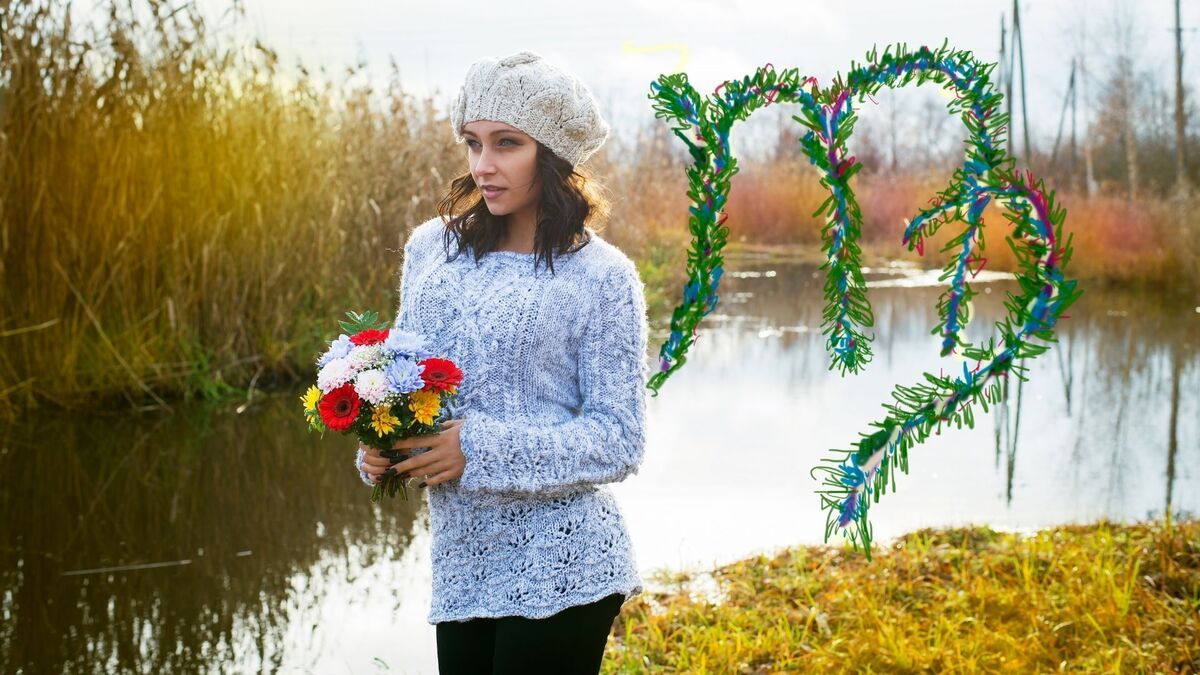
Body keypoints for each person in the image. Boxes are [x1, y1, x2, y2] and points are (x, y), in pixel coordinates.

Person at [354, 50, 650, 674]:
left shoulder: (602, 278)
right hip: (462, 564)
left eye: (506, 144)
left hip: (564, 566)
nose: (482, 166)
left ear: (554, 154)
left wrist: (478, 449)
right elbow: (406, 384)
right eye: (472, 143)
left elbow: (619, 438)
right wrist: (382, 444)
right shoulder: (430, 251)